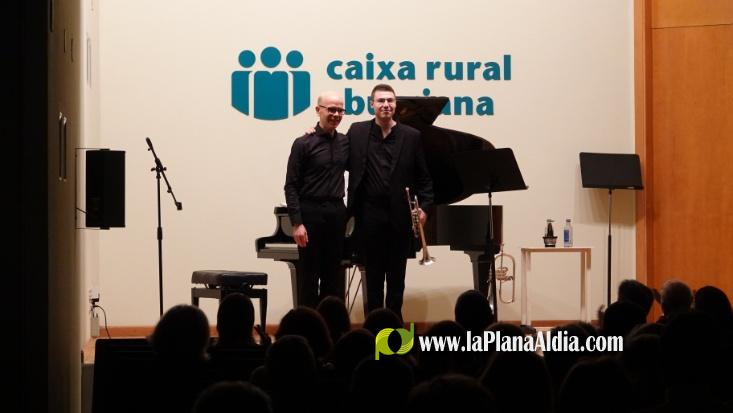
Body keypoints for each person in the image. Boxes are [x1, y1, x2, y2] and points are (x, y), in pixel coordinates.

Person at [347, 83, 434, 320]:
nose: (386, 105)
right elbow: (336, 151)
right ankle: (374, 328)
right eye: (381, 101)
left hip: (399, 220)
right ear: (372, 104)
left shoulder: (411, 136)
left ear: (395, 105)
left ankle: (395, 330)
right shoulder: (357, 131)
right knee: (373, 280)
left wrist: (425, 208)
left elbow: (425, 179)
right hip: (368, 218)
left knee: (397, 281)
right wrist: (314, 132)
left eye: (390, 100)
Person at [284, 91, 348, 308]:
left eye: (340, 110)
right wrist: (297, 223)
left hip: (337, 214)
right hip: (310, 214)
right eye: (331, 109)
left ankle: (331, 326)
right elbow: (291, 186)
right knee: (308, 279)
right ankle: (307, 325)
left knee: (334, 280)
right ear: (318, 110)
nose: (336, 114)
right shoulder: (303, 143)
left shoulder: (346, 142)